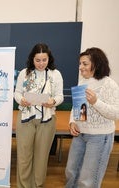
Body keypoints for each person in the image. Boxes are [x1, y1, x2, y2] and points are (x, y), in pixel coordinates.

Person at [65, 47, 119, 188]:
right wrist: (72, 122)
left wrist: (96, 102)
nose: (80, 67)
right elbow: (76, 107)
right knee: (71, 173)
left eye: (84, 64)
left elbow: (116, 113)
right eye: (80, 64)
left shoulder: (109, 84)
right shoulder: (82, 81)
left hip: (99, 137)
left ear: (96, 64)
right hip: (80, 134)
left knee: (87, 180)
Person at [14, 43, 64, 188]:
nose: (41, 63)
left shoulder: (55, 74)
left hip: (47, 120)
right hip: (25, 119)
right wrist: (21, 100)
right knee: (24, 158)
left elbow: (60, 96)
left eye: (44, 60)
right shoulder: (25, 73)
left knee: (41, 158)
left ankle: (37, 185)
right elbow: (16, 93)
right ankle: (23, 185)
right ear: (32, 59)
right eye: (38, 60)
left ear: (49, 59)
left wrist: (53, 101)